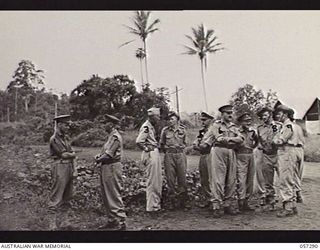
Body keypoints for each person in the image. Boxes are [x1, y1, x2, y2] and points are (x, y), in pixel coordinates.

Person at [204, 105, 244, 217]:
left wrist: (229, 140)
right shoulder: (216, 125)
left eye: (231, 112)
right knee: (218, 179)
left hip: (231, 151)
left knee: (231, 179)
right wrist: (233, 139)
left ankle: (228, 204)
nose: (230, 115)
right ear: (222, 114)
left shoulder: (234, 127)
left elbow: (241, 139)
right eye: (227, 113)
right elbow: (218, 139)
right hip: (218, 151)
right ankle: (217, 205)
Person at [95, 114, 126, 230]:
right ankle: (112, 220)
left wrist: (98, 159)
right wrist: (99, 156)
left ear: (111, 125)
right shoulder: (110, 137)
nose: (104, 126)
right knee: (106, 194)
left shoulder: (115, 137)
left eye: (106, 123)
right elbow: (105, 152)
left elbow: (109, 154)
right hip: (106, 166)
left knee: (114, 194)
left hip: (112, 166)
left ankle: (121, 222)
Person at [160, 111, 189, 210]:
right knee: (170, 179)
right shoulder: (165, 131)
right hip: (169, 155)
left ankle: (183, 202)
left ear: (177, 120)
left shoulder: (183, 130)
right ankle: (171, 202)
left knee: (182, 178)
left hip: (180, 154)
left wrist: (180, 149)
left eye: (172, 119)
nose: (169, 121)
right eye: (168, 119)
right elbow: (162, 144)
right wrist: (168, 150)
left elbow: (186, 143)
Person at [273, 104, 298, 217]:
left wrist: (275, 138)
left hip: (286, 152)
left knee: (285, 179)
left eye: (280, 113)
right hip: (285, 152)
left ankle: (288, 207)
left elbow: (280, 141)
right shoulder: (285, 125)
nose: (278, 115)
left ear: (286, 114)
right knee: (288, 179)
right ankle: (292, 205)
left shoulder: (288, 126)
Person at [136, 107, 163, 213]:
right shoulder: (146, 126)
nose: (159, 118)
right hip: (150, 153)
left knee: (156, 180)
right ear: (152, 117)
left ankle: (155, 205)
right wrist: (147, 148)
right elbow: (139, 141)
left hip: (153, 152)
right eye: (157, 116)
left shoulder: (151, 126)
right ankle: (152, 207)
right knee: (153, 181)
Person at [256, 107, 282, 210]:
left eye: (266, 115)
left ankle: (288, 202)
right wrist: (260, 146)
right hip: (266, 155)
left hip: (278, 154)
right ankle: (270, 202)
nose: (264, 117)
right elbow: (259, 141)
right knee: (268, 181)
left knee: (284, 179)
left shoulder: (278, 126)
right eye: (262, 115)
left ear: (270, 115)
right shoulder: (260, 128)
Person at [49, 114, 76, 208]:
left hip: (68, 167)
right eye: (66, 125)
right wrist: (73, 154)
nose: (68, 127)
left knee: (68, 195)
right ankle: (52, 220)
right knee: (57, 194)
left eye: (68, 125)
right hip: (59, 166)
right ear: (59, 125)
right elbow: (64, 155)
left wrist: (74, 168)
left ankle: (65, 220)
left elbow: (71, 154)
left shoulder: (66, 138)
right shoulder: (54, 139)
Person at [235, 112, 259, 212]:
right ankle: (241, 201)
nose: (248, 123)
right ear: (241, 122)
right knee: (241, 179)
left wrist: (252, 148)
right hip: (240, 156)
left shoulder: (252, 132)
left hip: (250, 155)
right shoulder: (237, 132)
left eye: (249, 120)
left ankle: (246, 202)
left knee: (250, 179)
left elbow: (257, 141)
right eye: (245, 121)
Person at [192, 111, 214, 208]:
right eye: (202, 120)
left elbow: (205, 146)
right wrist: (198, 146)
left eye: (205, 120)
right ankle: (208, 199)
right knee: (204, 178)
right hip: (203, 155)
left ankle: (214, 200)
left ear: (210, 120)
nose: (203, 122)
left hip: (211, 155)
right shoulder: (202, 132)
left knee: (211, 178)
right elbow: (194, 144)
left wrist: (198, 146)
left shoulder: (212, 131)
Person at [288, 108, 306, 204]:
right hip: (301, 149)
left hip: (293, 149)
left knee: (293, 173)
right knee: (298, 173)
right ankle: (298, 194)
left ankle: (296, 194)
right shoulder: (298, 126)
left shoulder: (288, 126)